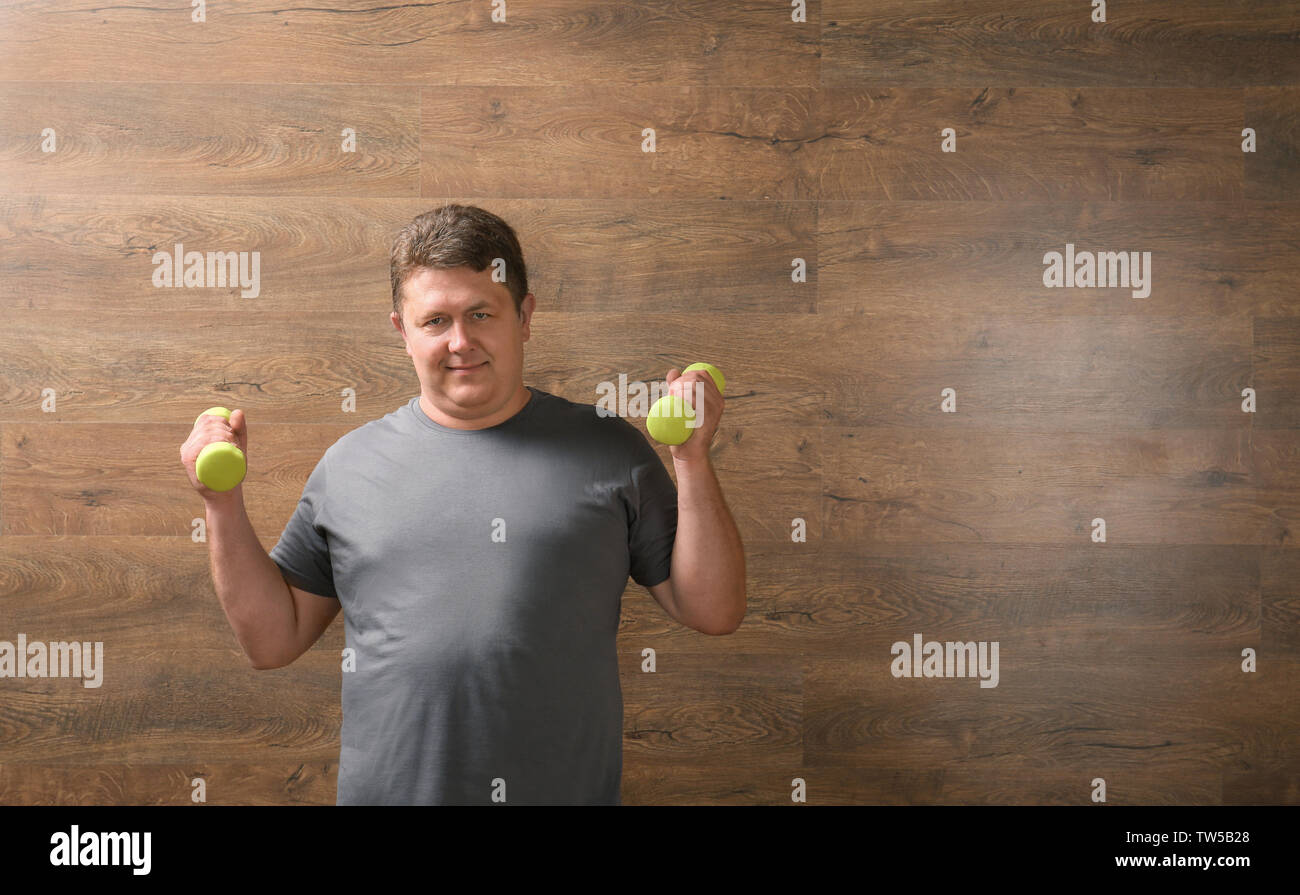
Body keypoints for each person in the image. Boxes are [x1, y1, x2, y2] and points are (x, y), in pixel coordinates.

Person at [180, 203, 746, 805]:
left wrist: (691, 459)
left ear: (524, 316)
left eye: (481, 313)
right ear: (402, 331)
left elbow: (713, 610)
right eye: (436, 321)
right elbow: (273, 642)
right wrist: (220, 503)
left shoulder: (609, 447)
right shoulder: (348, 465)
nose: (461, 342)